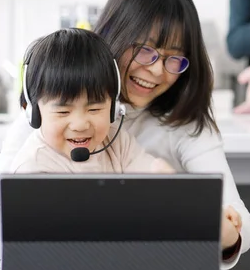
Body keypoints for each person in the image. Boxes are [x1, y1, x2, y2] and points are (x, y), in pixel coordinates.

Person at [0, 0, 250, 270]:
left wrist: (220, 228)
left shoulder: (163, 129)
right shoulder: (46, 121)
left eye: (173, 59)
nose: (156, 70)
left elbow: (237, 223)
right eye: (145, 50)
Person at [10, 27, 175, 175]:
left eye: (94, 109)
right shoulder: (33, 169)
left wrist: (160, 172)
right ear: (34, 112)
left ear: (113, 108)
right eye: (63, 112)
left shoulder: (117, 142)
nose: (80, 125)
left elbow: (150, 175)